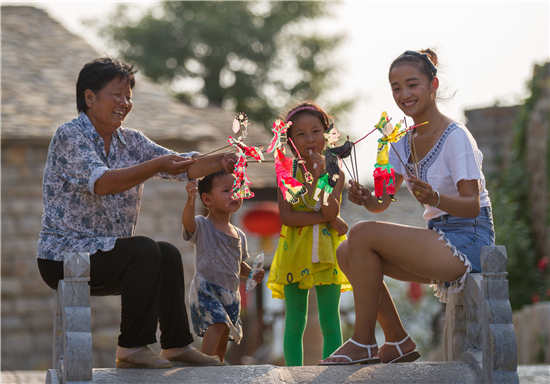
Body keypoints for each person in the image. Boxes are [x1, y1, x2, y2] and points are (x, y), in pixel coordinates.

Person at [37, 57, 236, 369]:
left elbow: (181, 165)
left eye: (129, 96)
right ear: (90, 98)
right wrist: (156, 165)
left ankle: (176, 345)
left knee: (167, 254)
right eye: (117, 95)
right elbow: (102, 183)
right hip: (62, 257)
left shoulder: (130, 140)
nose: (125, 103)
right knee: (143, 249)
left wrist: (219, 162)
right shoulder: (70, 136)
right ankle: (131, 348)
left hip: (108, 256)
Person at [320, 49, 495, 365]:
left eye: (412, 85)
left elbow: (471, 207)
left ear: (433, 85)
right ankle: (397, 339)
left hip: (468, 239)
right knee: (347, 251)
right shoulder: (403, 140)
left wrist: (436, 199)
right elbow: (381, 204)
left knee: (361, 233)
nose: (404, 94)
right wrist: (366, 199)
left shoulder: (456, 137)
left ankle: (362, 342)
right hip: (437, 236)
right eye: (396, 88)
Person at [266, 102, 352, 366]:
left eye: (315, 131)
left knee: (330, 317)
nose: (309, 139)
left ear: (326, 134)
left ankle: (332, 373)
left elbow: (328, 209)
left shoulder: (334, 170)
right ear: (290, 141)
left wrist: (318, 178)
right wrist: (330, 220)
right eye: (300, 134)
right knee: (295, 318)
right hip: (295, 251)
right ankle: (293, 373)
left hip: (328, 252)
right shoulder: (287, 171)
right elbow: (288, 217)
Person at [182, 171, 265, 363]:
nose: (234, 194)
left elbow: (238, 265)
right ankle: (204, 365)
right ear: (207, 199)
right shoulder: (202, 225)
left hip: (230, 294)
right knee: (218, 324)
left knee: (224, 334)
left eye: (236, 190)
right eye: (227, 190)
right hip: (206, 289)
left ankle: (216, 366)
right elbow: (187, 224)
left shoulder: (239, 235)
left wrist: (252, 273)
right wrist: (190, 199)